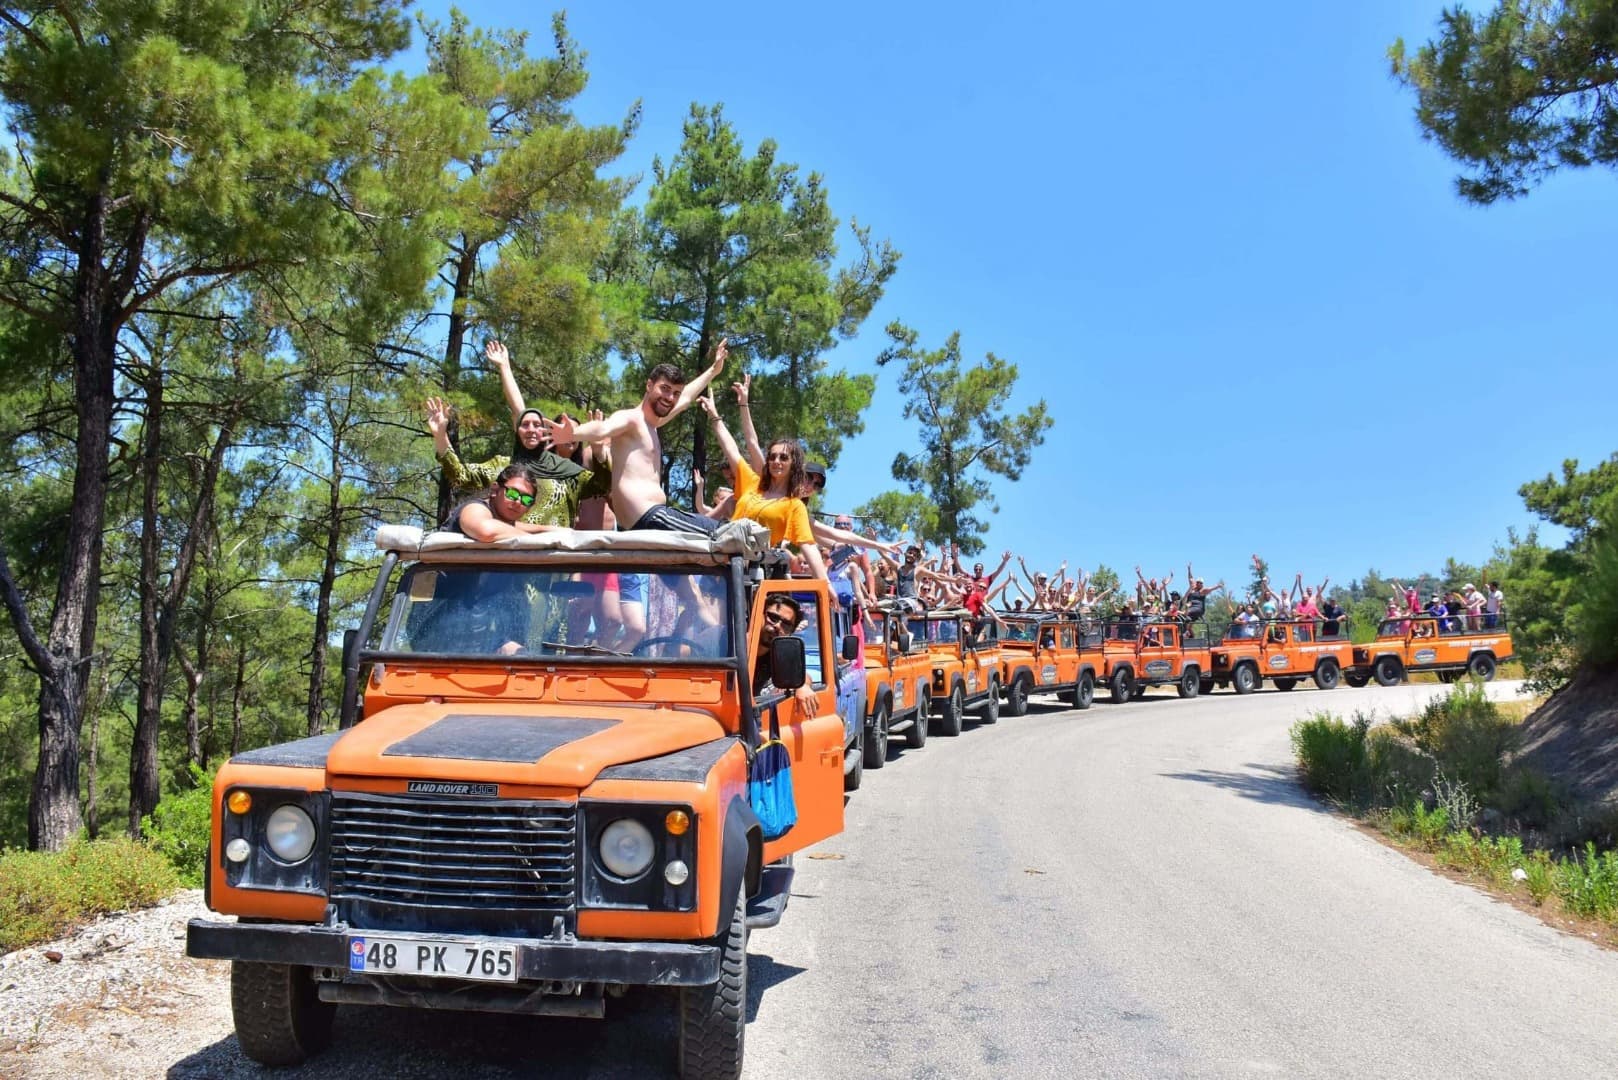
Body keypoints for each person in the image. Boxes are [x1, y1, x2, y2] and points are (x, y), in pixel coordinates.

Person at [545, 340, 728, 533]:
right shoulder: (632, 419)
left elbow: (686, 398)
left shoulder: (653, 425)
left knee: (730, 533)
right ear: (649, 385)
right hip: (649, 516)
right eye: (664, 389)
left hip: (657, 517)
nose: (670, 398)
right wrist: (573, 433)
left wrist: (714, 370)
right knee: (725, 531)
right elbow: (602, 428)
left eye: (675, 393)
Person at [427, 392, 609, 530]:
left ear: (544, 432)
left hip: (554, 562)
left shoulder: (567, 470)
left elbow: (604, 485)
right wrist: (440, 436)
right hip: (509, 561)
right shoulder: (501, 466)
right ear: (517, 432)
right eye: (524, 424)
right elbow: (460, 475)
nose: (531, 429)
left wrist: (599, 449)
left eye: (537, 425)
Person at [754, 593, 815, 707]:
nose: (777, 625)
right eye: (773, 617)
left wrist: (803, 686)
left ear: (790, 632)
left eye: (786, 624)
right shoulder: (727, 644)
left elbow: (802, 677)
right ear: (759, 615)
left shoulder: (777, 653)